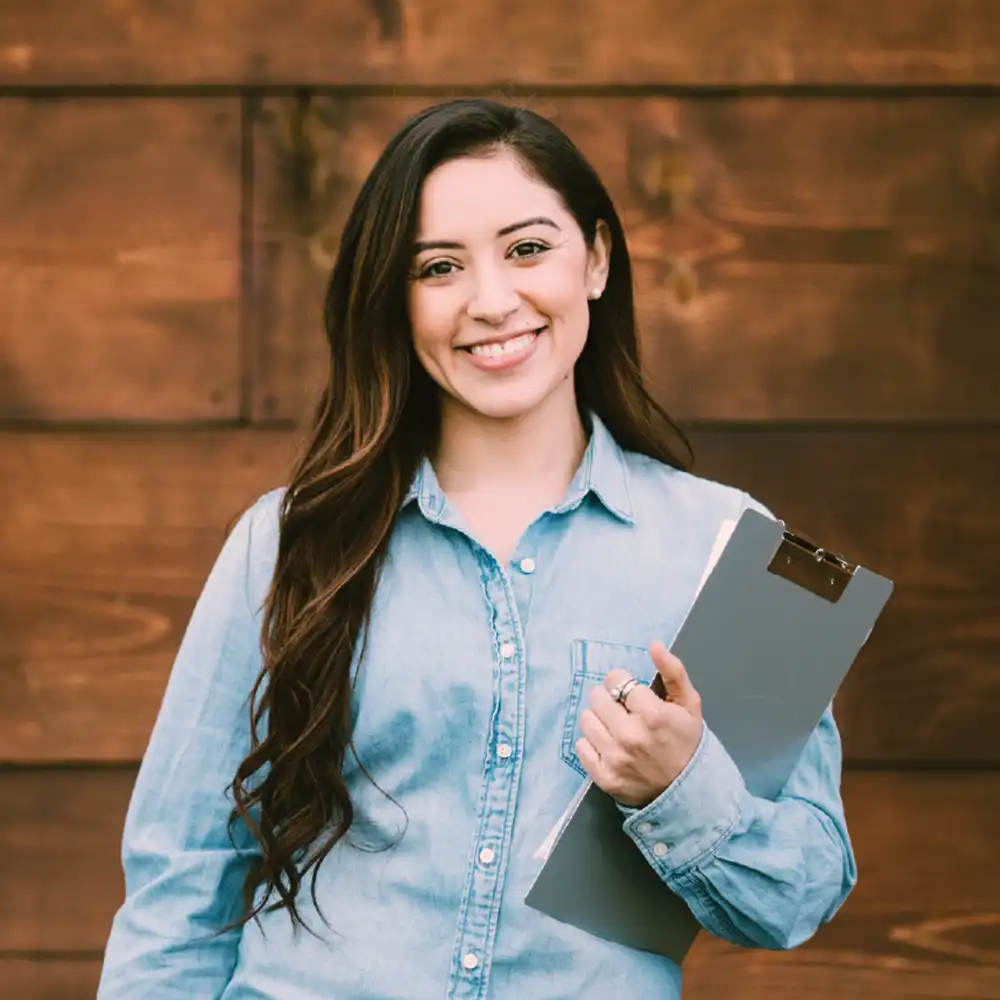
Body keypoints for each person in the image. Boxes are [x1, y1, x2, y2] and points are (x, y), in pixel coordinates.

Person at [96, 97, 857, 1000]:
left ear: (598, 261)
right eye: (440, 266)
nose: (492, 301)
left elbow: (802, 892)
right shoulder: (287, 540)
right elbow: (181, 881)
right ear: (396, 299)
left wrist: (680, 786)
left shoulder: (734, 546)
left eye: (528, 248)